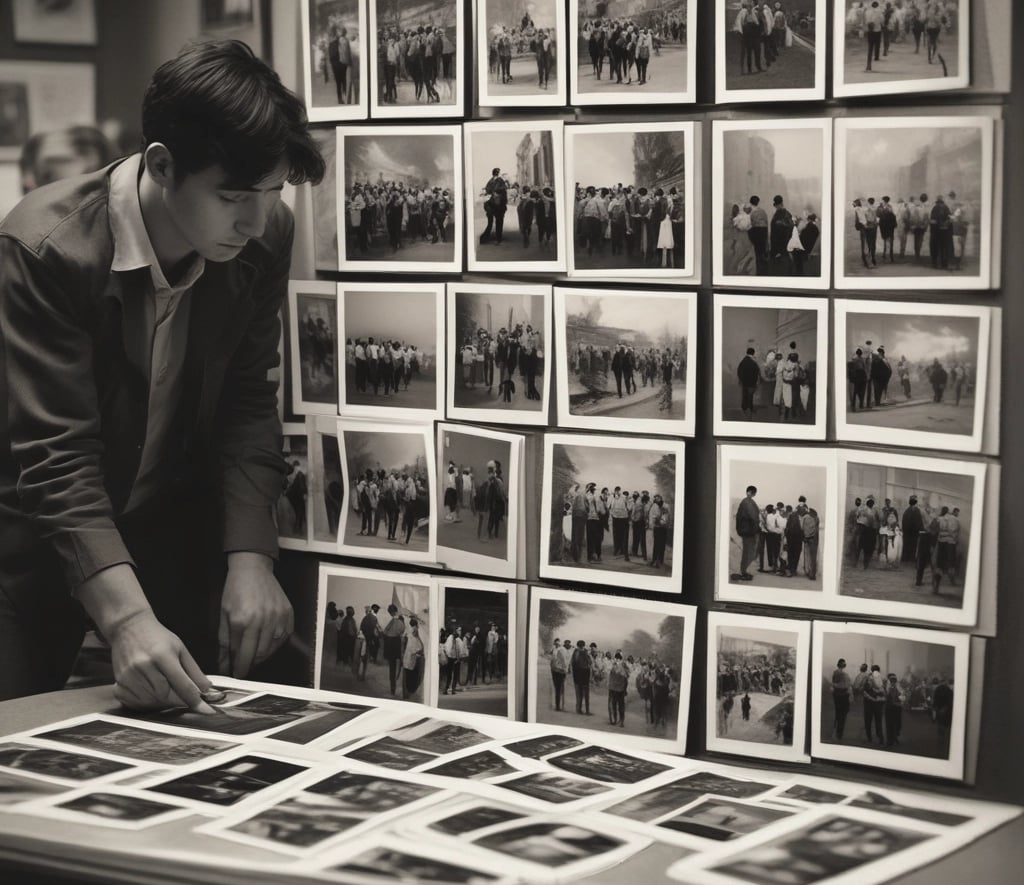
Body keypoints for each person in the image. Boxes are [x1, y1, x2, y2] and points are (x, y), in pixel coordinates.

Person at [0, 40, 324, 707]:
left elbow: (246, 399)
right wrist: (125, 619)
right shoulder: (43, 245)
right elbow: (57, 459)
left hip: (165, 526)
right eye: (233, 195)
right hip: (29, 538)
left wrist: (251, 558)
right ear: (161, 164)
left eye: (271, 192)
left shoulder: (263, 233)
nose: (256, 220)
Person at [734, 486, 760, 581]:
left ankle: (743, 570)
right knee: (749, 552)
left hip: (747, 531)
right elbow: (753, 517)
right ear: (749, 492)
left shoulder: (746, 502)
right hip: (749, 531)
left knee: (748, 551)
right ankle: (743, 571)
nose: (752, 493)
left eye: (752, 492)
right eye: (751, 492)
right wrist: (756, 528)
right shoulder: (748, 502)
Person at [400, 617, 424, 700]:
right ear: (415, 625)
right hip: (411, 657)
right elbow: (417, 647)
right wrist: (419, 651)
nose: (417, 628)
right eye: (417, 626)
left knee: (407, 675)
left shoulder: (408, 633)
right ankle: (407, 693)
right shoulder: (414, 633)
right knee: (410, 676)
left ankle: (406, 694)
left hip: (408, 657)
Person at [737, 347, 761, 419]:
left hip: (744, 382)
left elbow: (739, 371)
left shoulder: (743, 361)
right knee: (750, 396)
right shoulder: (754, 361)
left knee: (744, 395)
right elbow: (757, 371)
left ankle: (744, 408)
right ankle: (750, 409)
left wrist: (741, 379)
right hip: (752, 382)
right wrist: (757, 381)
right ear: (753, 353)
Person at [831, 658, 852, 740]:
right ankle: (838, 734)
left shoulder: (835, 673)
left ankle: (836, 732)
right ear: (843, 665)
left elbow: (834, 684)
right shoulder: (842, 674)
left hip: (837, 695)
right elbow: (845, 686)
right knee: (842, 715)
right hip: (843, 696)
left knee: (838, 714)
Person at [571, 639, 592, 715]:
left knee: (579, 693)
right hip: (584, 674)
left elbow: (573, 663)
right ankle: (586, 710)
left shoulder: (576, 652)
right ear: (583, 645)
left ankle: (579, 709)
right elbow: (590, 662)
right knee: (585, 693)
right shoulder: (585, 652)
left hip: (578, 675)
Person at [550, 637, 569, 711]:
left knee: (560, 688)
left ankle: (561, 706)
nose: (556, 644)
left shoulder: (561, 650)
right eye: (555, 643)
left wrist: (565, 670)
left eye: (558, 643)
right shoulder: (555, 649)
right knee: (558, 688)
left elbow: (565, 661)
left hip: (560, 671)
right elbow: (553, 660)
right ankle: (558, 706)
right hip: (555, 671)